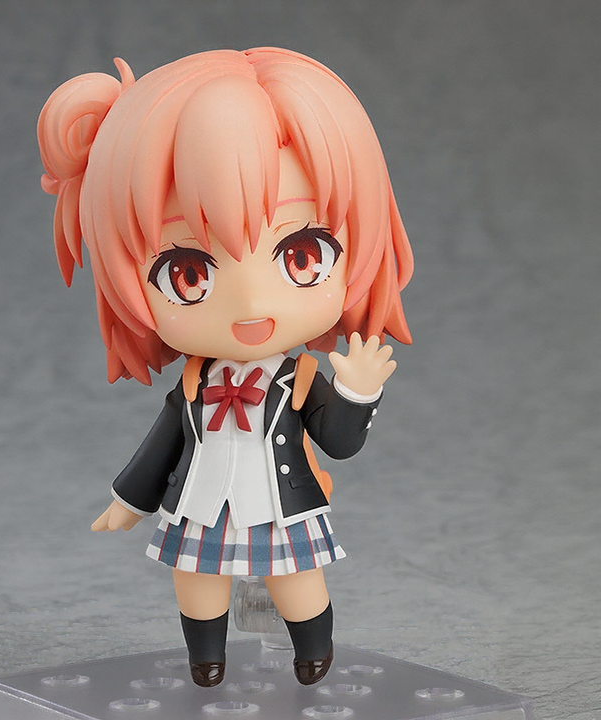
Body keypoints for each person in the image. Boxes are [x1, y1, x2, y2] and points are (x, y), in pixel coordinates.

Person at [37, 47, 413, 687]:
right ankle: (206, 658)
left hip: (280, 504)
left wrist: (355, 393)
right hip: (201, 501)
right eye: (188, 272)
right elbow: (161, 447)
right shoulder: (191, 387)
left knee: (296, 579)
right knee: (195, 580)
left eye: (300, 255)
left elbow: (340, 443)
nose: (250, 302)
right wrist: (129, 500)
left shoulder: (298, 381)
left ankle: (312, 650)